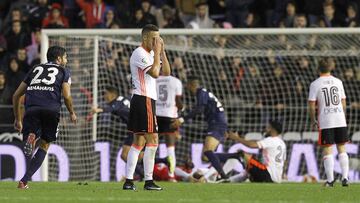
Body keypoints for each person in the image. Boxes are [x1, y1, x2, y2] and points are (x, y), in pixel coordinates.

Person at [13, 46, 77, 189]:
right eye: (65, 57)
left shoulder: (35, 69)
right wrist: (72, 112)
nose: (66, 61)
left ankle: (32, 135)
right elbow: (66, 95)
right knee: (45, 145)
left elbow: (16, 95)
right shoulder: (64, 71)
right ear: (59, 59)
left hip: (31, 108)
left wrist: (18, 119)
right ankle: (24, 181)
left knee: (35, 132)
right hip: (50, 109)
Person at [123, 24, 170, 191]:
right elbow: (156, 73)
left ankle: (129, 181)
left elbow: (167, 72)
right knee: (153, 140)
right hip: (144, 100)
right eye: (154, 38)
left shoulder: (151, 54)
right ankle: (149, 181)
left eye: (159, 38)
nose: (157, 41)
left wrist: (162, 51)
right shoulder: (139, 53)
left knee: (139, 142)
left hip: (145, 100)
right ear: (145, 38)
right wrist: (157, 53)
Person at [173, 76, 240, 181]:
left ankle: (223, 176)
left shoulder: (201, 93)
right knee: (206, 156)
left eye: (188, 85)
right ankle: (235, 156)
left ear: (191, 85)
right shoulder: (205, 93)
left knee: (208, 151)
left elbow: (200, 109)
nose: (187, 88)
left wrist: (182, 119)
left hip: (216, 123)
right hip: (218, 123)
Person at [308, 58, 349, 187]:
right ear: (331, 67)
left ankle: (330, 181)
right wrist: (342, 116)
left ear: (318, 68)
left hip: (326, 120)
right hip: (340, 118)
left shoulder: (315, 84)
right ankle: (345, 178)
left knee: (328, 149)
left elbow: (311, 105)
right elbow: (343, 102)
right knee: (342, 148)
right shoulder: (338, 82)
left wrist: (313, 119)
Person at [155, 74, 183, 181]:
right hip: (170, 117)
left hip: (156, 116)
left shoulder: (154, 80)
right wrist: (183, 109)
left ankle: (146, 175)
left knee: (151, 146)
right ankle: (171, 176)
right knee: (170, 148)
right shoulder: (176, 81)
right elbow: (178, 102)